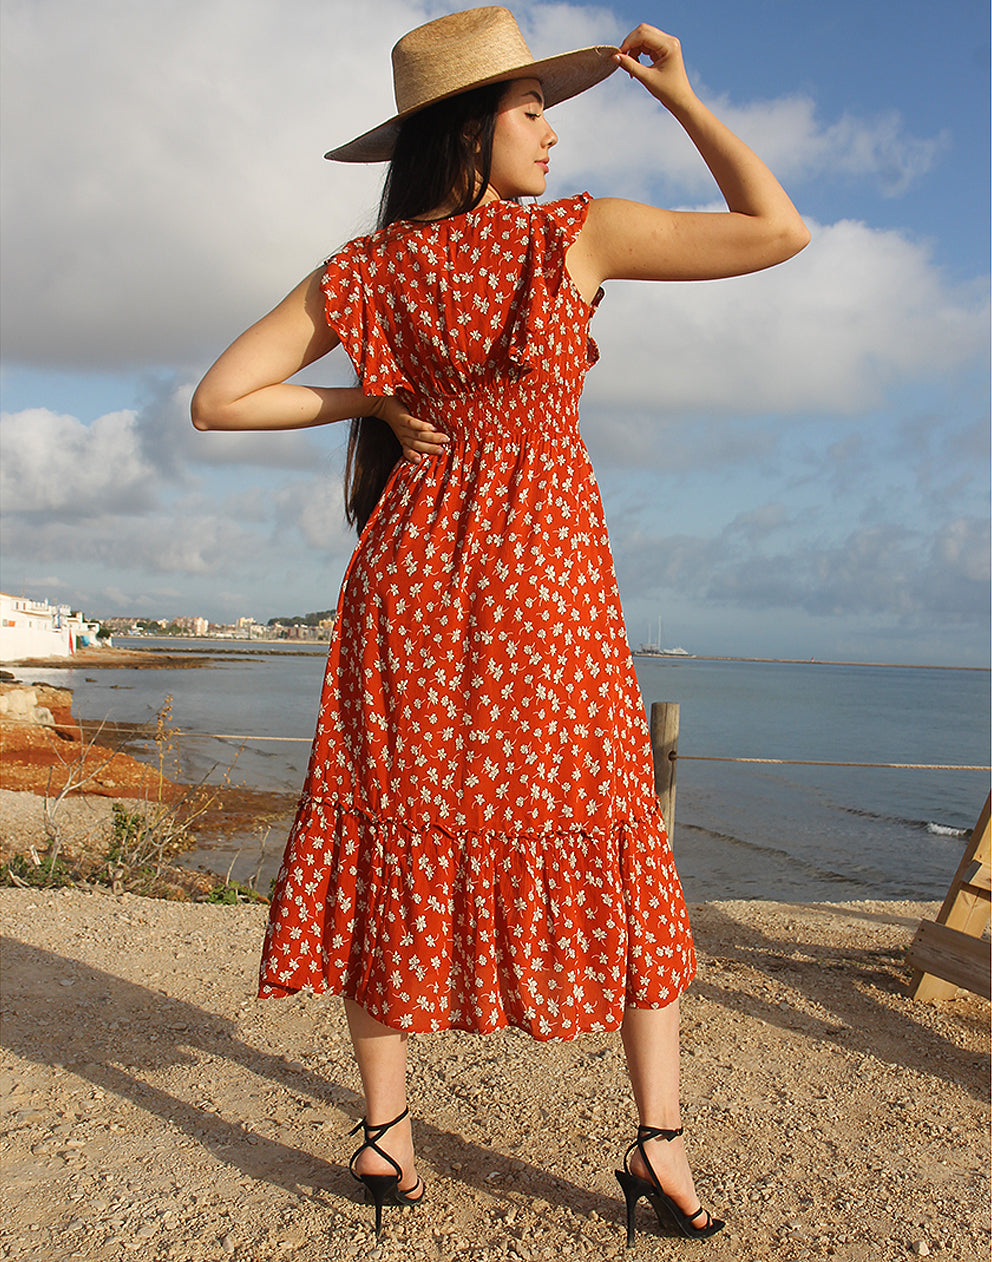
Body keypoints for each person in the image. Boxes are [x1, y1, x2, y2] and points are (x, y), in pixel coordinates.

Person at [192, 6, 809, 1245]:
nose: (548, 127)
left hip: (407, 591)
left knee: (393, 834)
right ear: (469, 130)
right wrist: (679, 98)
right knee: (614, 837)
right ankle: (658, 1149)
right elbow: (775, 230)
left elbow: (221, 400)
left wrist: (363, 396)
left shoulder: (363, 271)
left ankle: (382, 1133)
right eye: (531, 107)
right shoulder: (566, 238)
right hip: (549, 598)